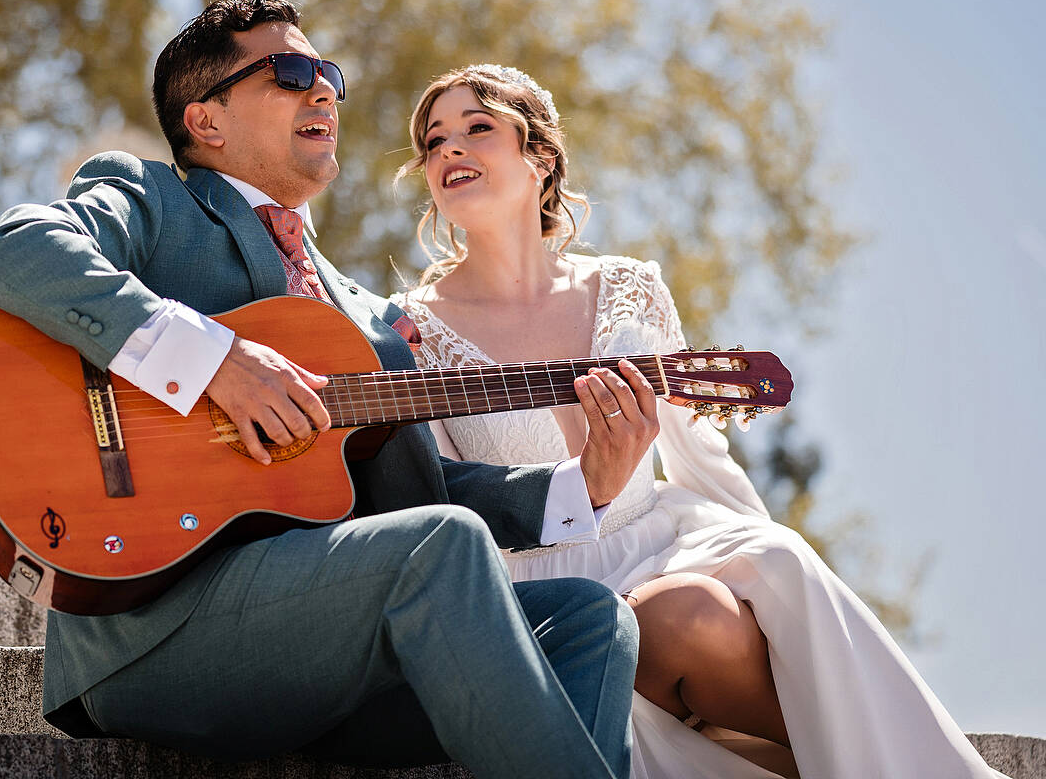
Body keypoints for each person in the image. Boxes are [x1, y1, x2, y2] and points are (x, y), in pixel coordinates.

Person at [0, 0, 644, 778]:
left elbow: (418, 490)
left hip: (331, 653)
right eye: (289, 72)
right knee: (442, 545)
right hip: (159, 630)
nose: (322, 88)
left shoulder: (363, 313)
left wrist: (579, 489)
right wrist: (217, 362)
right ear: (207, 121)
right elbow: (17, 249)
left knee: (594, 620)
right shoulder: (155, 200)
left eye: (327, 73)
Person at [389, 63, 1007, 779]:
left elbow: (698, 454)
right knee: (678, 617)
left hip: (664, 537)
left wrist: (765, 575)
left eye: (477, 129)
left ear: (541, 159)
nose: (449, 152)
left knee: (759, 572)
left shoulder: (630, 286)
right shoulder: (412, 333)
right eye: (433, 143)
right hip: (544, 591)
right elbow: (440, 502)